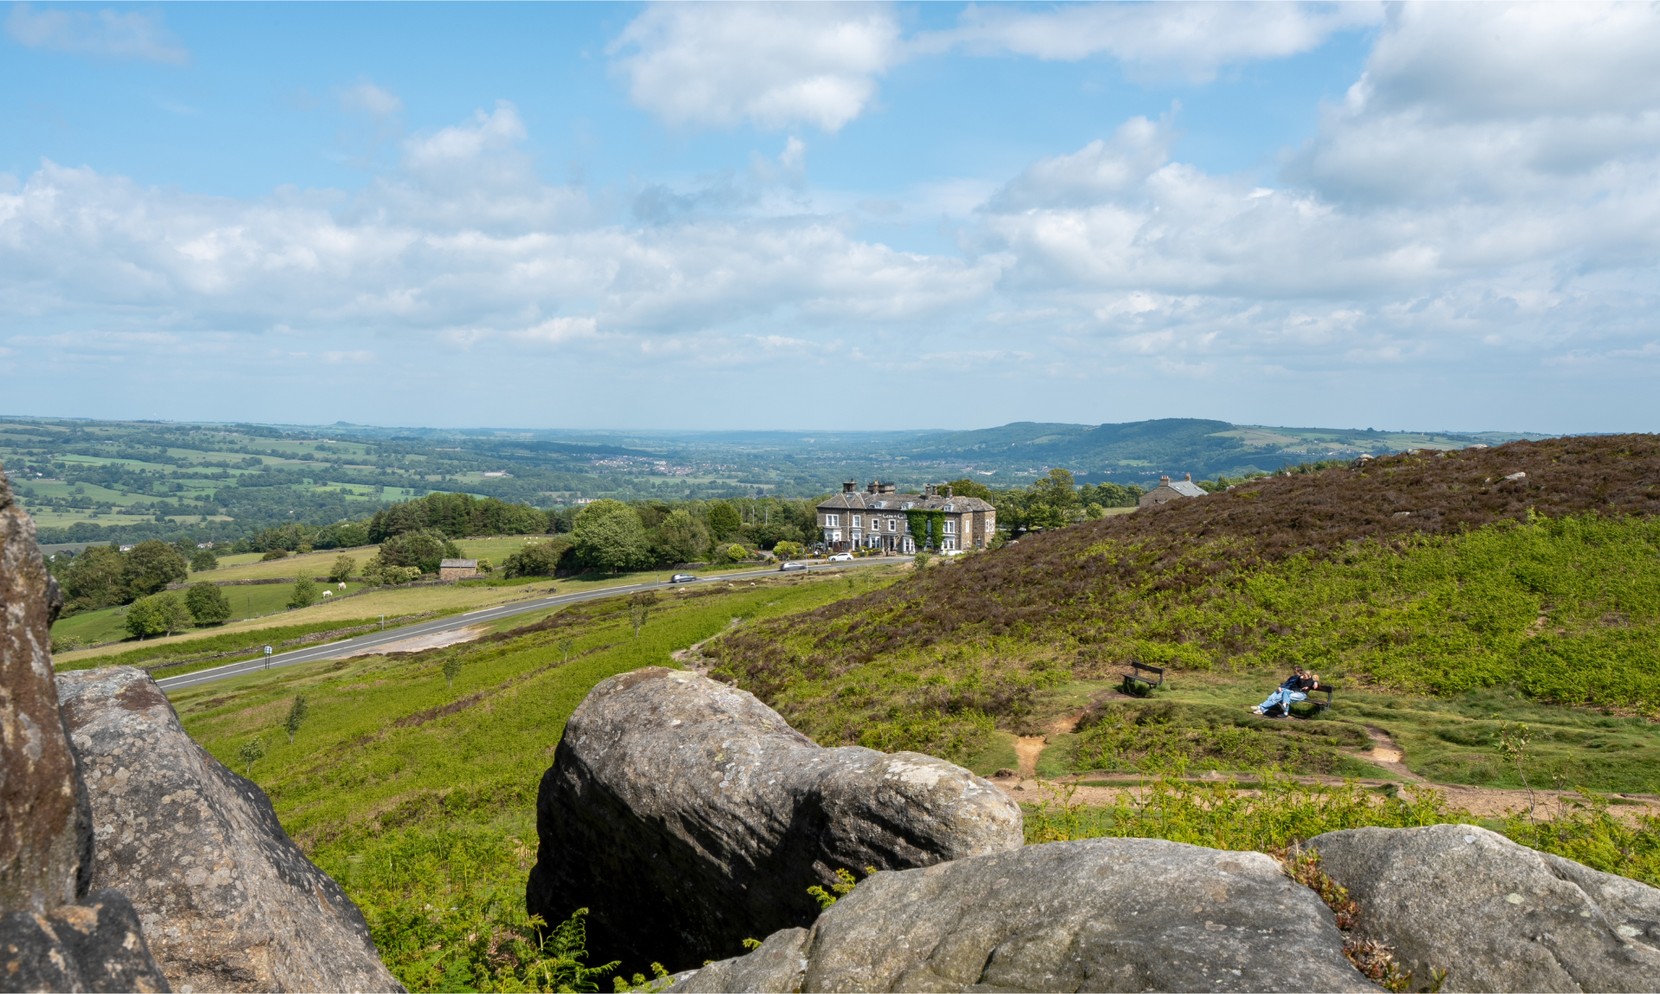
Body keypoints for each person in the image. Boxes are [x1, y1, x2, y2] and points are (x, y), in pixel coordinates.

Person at [1253, 667, 1319, 718]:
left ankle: (1262, 707)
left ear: (1309, 675)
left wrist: (1310, 686)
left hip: (1301, 695)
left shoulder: (1311, 680)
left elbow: (1315, 686)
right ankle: (1284, 712)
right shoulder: (1301, 679)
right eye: (1303, 675)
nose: (1303, 677)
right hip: (1295, 693)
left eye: (1305, 676)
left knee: (1282, 696)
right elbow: (1295, 682)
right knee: (1284, 695)